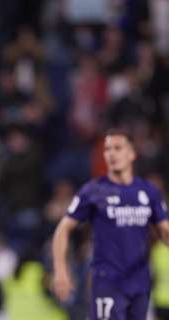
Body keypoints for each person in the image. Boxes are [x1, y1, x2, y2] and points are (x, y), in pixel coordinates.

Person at [52, 128, 169, 320]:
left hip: (140, 282)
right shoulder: (94, 191)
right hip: (108, 281)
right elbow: (63, 228)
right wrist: (60, 270)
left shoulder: (148, 192)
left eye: (117, 148)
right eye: (107, 149)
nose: (111, 154)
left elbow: (165, 231)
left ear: (132, 153)